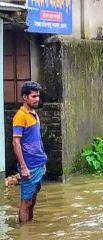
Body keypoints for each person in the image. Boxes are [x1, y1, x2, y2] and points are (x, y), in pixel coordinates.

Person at [12, 81, 47, 224]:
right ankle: (24, 233)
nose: (37, 99)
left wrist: (43, 161)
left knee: (33, 198)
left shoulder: (34, 114)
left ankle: (30, 226)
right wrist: (24, 167)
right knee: (26, 201)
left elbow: (38, 140)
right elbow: (16, 142)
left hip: (38, 164)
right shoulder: (20, 116)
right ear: (25, 97)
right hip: (29, 166)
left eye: (38, 96)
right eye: (33, 96)